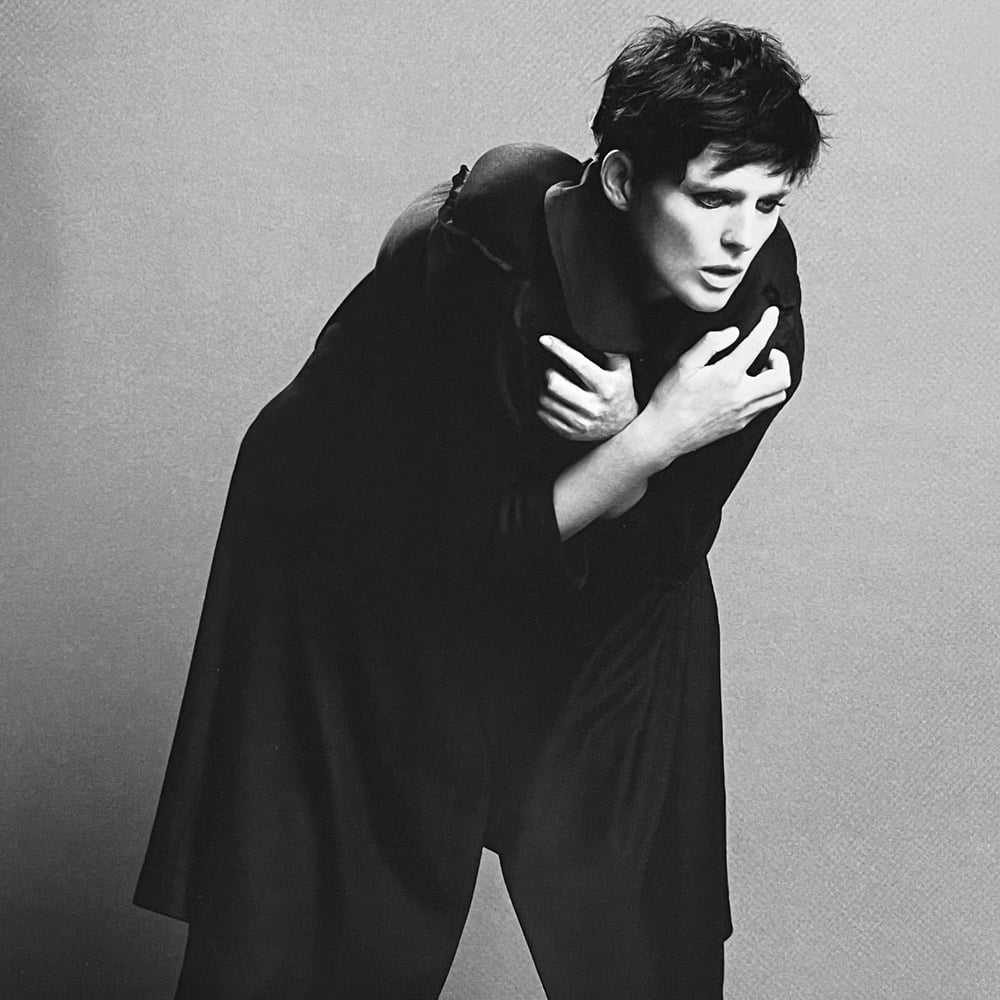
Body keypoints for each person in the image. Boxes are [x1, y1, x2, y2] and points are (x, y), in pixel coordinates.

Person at [135, 18, 825, 999]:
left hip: (598, 582)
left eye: (768, 202)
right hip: (359, 563)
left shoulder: (757, 323)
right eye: (711, 198)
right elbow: (450, 551)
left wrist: (636, 441)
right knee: (336, 927)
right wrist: (648, 440)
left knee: (636, 923)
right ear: (620, 180)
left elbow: (661, 546)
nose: (740, 238)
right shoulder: (486, 256)